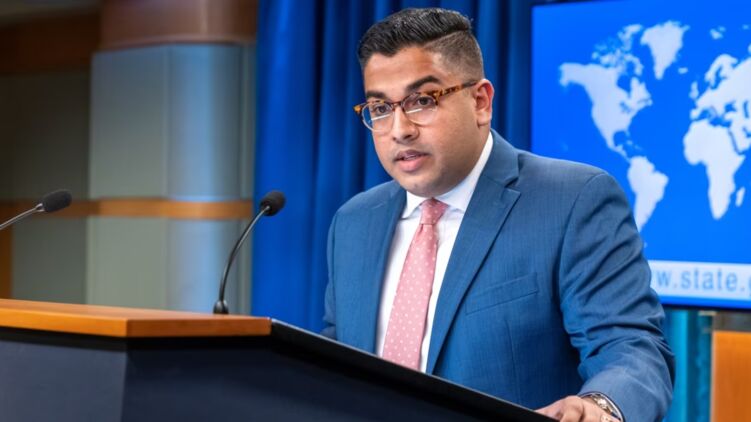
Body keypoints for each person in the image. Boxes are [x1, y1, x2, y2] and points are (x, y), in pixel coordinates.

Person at [322, 8, 674, 422]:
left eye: (422, 101)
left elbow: (630, 346)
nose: (400, 129)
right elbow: (334, 367)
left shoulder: (573, 200)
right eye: (381, 108)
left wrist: (599, 406)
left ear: (480, 102)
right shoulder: (353, 222)